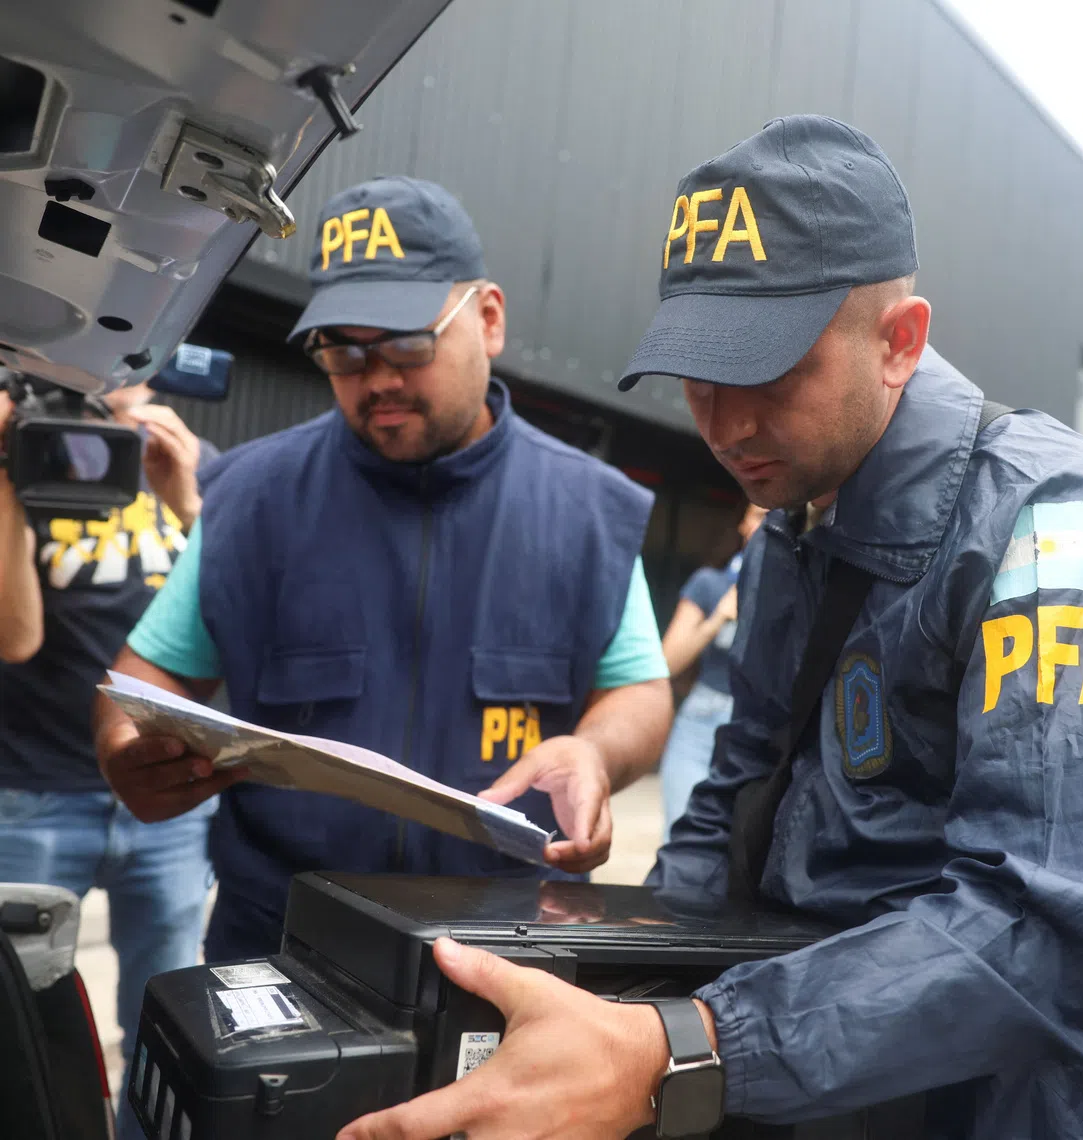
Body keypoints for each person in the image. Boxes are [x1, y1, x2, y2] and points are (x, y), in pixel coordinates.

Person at [334, 116, 1083, 1140]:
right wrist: (618, 995)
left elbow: (1043, 928)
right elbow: (735, 799)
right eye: (697, 374)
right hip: (805, 1076)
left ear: (899, 342)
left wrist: (688, 1049)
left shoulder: (1055, 525)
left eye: (765, 374)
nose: (722, 424)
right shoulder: (791, 532)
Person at [92, 176, 674, 963]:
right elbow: (143, 682)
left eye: (407, 343)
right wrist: (130, 749)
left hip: (502, 951)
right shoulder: (254, 500)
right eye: (344, 351)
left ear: (490, 319)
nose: (379, 379)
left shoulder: (583, 510)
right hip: (282, 946)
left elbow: (638, 688)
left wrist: (597, 754)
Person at [0, 381, 217, 1140]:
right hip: (32, 790)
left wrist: (190, 499)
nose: (101, 387)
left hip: (170, 800)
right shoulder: (27, 464)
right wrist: (6, 473)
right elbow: (14, 637)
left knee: (165, 1019)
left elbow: (242, 613)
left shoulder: (184, 463)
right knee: (13, 1010)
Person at [658, 502, 766, 835]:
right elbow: (667, 664)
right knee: (681, 835)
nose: (766, 524)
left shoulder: (801, 585)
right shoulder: (710, 583)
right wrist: (717, 618)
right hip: (700, 722)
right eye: (758, 515)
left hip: (760, 728)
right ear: (744, 524)